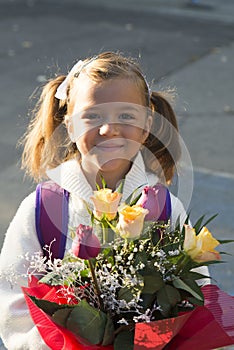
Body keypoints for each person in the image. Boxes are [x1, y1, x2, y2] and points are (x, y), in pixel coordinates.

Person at [0, 51, 205, 349]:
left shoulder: (165, 208)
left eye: (126, 116)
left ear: (147, 124)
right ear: (69, 125)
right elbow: (11, 302)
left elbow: (198, 290)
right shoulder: (41, 208)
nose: (109, 129)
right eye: (93, 116)